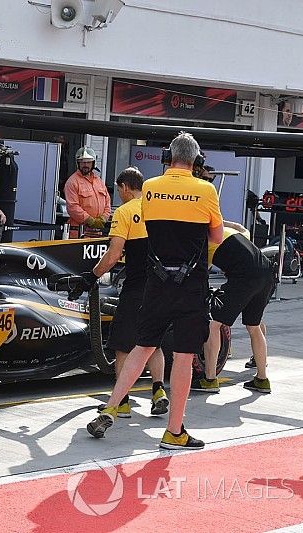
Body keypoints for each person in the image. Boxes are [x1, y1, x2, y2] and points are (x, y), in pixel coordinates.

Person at [86, 132, 223, 450]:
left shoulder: (150, 187)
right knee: (185, 357)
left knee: (143, 346)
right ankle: (174, 432)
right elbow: (215, 237)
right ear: (196, 161)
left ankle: (111, 406)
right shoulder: (206, 189)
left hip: (155, 283)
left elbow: (149, 224)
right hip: (190, 286)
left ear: (167, 157)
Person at [81, 167, 169, 417]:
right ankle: (159, 391)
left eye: (118, 189)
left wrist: (93, 275)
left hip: (136, 286)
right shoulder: (159, 208)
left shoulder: (125, 212)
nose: (118, 194)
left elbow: (113, 255)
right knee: (153, 342)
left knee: (123, 346)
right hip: (161, 286)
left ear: (126, 187)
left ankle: (122, 402)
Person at [195, 218, 274, 394]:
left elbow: (203, 273)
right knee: (254, 326)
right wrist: (220, 220)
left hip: (244, 278)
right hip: (267, 273)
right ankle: (262, 379)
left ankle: (209, 380)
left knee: (214, 324)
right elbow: (240, 226)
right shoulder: (237, 233)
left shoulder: (203, 241)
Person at [64, 146, 111, 237]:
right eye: (82, 162)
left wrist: (103, 219)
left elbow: (107, 203)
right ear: (78, 163)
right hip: (79, 232)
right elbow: (72, 207)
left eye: (88, 162)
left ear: (93, 163)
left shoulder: (99, 181)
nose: (85, 165)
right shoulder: (72, 182)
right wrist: (90, 220)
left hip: (98, 232)